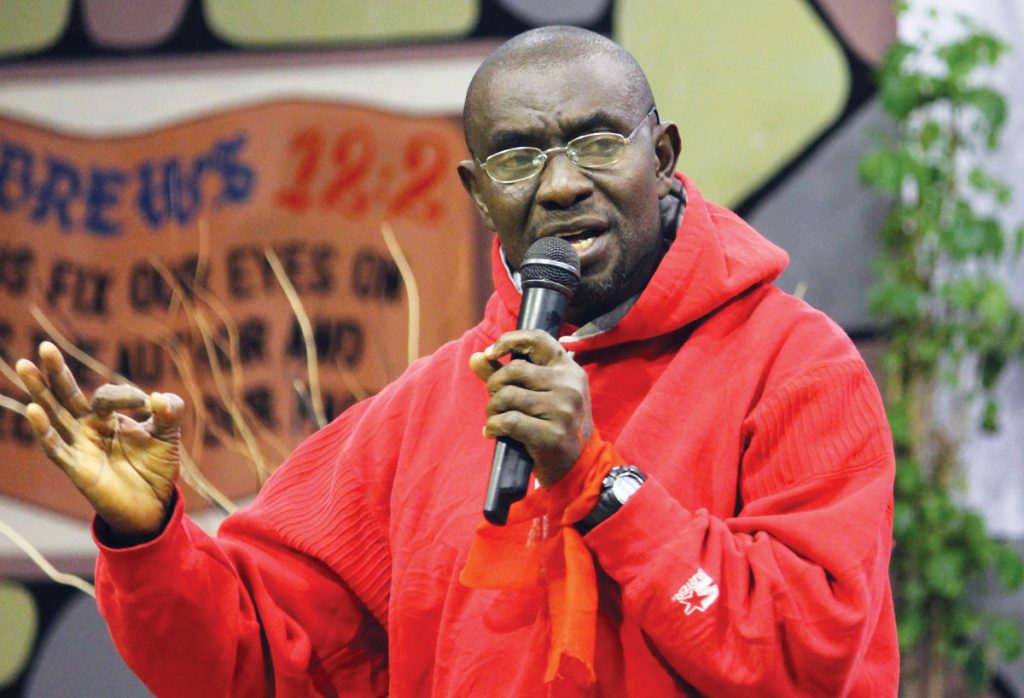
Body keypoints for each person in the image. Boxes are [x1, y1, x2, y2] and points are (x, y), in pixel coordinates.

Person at [15, 25, 898, 697]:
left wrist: (600, 481)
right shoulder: (425, 409)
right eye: (518, 158)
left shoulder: (793, 367)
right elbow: (259, 657)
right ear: (480, 196)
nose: (558, 184)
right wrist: (147, 539)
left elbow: (806, 656)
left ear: (662, 158)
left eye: (596, 142)